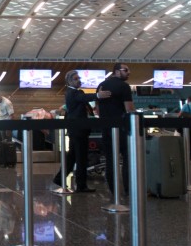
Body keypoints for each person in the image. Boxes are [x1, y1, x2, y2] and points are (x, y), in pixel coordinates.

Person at [56, 70, 110, 192]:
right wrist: (97, 95)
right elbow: (82, 98)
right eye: (75, 79)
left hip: (76, 129)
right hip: (78, 130)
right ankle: (81, 185)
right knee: (81, 157)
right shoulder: (72, 93)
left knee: (73, 156)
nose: (79, 80)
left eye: (78, 78)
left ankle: (59, 179)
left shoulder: (74, 92)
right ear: (69, 81)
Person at [97, 63, 135, 195]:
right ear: (117, 72)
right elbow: (129, 109)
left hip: (106, 128)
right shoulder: (124, 86)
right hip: (122, 128)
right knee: (127, 157)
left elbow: (97, 109)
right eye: (126, 70)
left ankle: (113, 191)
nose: (128, 73)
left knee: (110, 159)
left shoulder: (101, 85)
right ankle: (128, 189)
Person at [0, 90, 15, 167]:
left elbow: (12, 116)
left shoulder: (7, 103)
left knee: (7, 144)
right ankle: (1, 160)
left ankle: (8, 162)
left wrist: (8, 128)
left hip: (6, 125)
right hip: (0, 125)